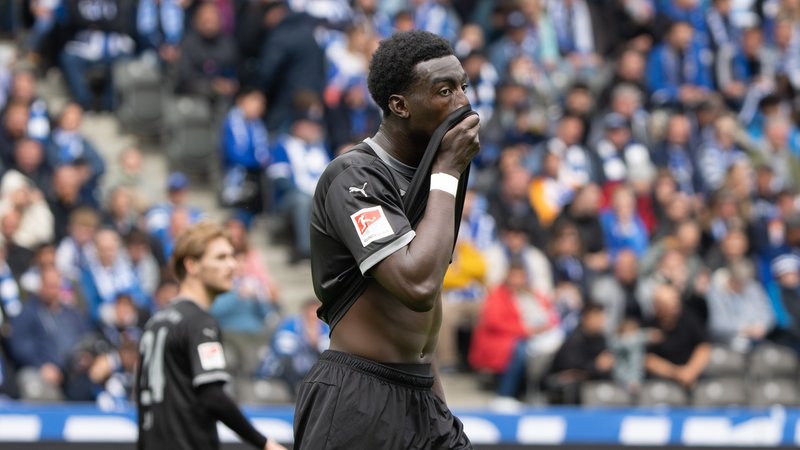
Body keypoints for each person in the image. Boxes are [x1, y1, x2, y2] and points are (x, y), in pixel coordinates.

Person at [296, 30, 479, 449]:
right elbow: (416, 286)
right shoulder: (354, 178)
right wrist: (447, 174)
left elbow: (421, 321)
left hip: (422, 392)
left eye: (463, 87)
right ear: (399, 105)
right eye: (444, 91)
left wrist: (440, 412)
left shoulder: (433, 177)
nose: (463, 103)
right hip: (358, 394)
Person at [135, 222, 286, 450]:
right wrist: (264, 443)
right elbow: (212, 395)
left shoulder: (156, 321)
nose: (233, 265)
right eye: (221, 257)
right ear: (192, 265)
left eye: (232, 257)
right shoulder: (200, 322)